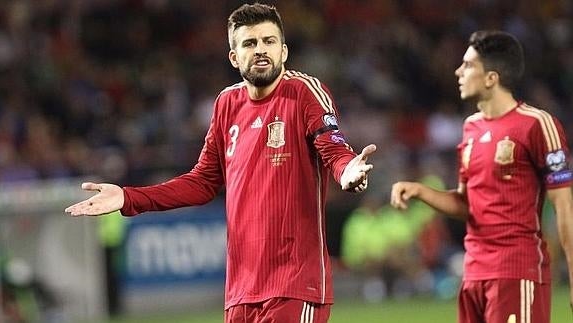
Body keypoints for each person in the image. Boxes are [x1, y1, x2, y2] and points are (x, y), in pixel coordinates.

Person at [65, 3, 376, 322]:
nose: (260, 50)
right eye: (250, 43)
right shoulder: (227, 104)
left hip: (295, 284)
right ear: (233, 56)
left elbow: (333, 147)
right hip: (241, 293)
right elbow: (202, 182)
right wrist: (129, 197)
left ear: (284, 51)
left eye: (269, 41)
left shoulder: (304, 92)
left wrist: (348, 170)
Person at [390, 30, 573, 323]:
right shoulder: (471, 128)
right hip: (474, 273)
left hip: (517, 271)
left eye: (468, 65)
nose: (458, 71)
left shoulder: (538, 125)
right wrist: (420, 191)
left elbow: (565, 206)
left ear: (492, 78)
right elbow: (467, 204)